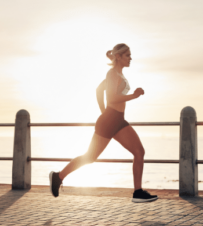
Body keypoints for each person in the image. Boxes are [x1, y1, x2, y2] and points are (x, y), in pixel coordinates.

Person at [49, 43, 158, 203]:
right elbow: (112, 98)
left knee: (139, 151)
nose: (130, 58)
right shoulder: (112, 74)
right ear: (119, 57)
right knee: (89, 157)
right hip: (110, 120)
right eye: (127, 55)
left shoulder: (118, 75)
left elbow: (99, 91)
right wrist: (132, 96)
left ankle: (137, 192)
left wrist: (104, 112)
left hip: (118, 120)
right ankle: (58, 177)